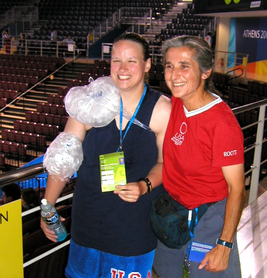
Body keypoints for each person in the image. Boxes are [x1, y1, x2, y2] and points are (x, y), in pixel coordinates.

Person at [41, 33, 171, 277]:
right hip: (88, 221)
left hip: (134, 227)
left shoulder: (162, 109)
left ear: (147, 65)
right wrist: (48, 206)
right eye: (116, 61)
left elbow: (166, 163)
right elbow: (64, 158)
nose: (122, 69)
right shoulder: (91, 101)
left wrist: (144, 185)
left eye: (131, 61)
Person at [153, 36, 245, 277]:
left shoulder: (222, 123)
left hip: (209, 218)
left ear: (205, 72)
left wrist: (225, 244)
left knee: (205, 271)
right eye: (169, 66)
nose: (174, 75)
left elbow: (237, 187)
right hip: (173, 213)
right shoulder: (176, 103)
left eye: (184, 66)